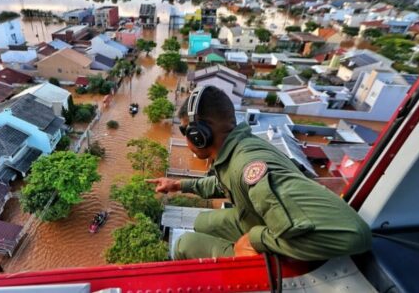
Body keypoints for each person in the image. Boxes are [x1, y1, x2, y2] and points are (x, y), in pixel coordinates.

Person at [147, 85, 371, 261]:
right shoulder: (235, 150)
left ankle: (246, 261)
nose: (186, 137)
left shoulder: (247, 166)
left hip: (274, 232)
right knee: (203, 222)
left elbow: (355, 235)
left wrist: (254, 240)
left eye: (186, 131)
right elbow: (223, 183)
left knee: (184, 244)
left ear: (200, 134)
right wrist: (178, 185)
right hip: (256, 218)